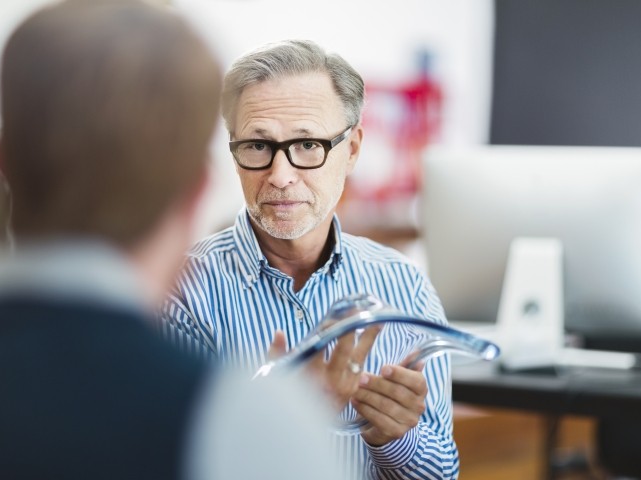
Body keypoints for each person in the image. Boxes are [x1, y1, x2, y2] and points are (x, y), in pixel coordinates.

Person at [0, 2, 340, 480]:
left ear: (0, 166)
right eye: (259, 147)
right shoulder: (253, 423)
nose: (281, 175)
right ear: (196, 190)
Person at [161, 39, 459, 479]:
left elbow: (444, 474)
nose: (280, 177)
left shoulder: (404, 287)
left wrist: (395, 437)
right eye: (258, 147)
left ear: (352, 150)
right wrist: (285, 422)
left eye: (307, 145)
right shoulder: (181, 291)